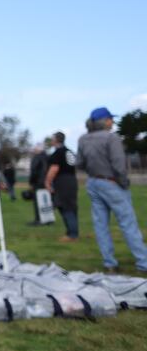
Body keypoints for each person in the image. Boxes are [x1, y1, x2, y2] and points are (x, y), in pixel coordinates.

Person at [77, 107, 147, 273]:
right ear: (105, 120)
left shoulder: (83, 139)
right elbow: (119, 165)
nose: (112, 121)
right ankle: (143, 263)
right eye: (110, 119)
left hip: (93, 183)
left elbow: (79, 164)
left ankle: (110, 263)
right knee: (128, 224)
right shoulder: (111, 138)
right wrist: (123, 183)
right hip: (112, 183)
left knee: (101, 225)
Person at [45, 131, 78, 241]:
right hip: (72, 180)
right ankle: (72, 231)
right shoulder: (70, 152)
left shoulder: (58, 152)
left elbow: (54, 168)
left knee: (65, 207)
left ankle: (72, 234)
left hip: (62, 181)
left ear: (56, 140)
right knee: (72, 206)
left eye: (53, 139)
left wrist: (47, 182)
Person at [27, 141, 49, 225]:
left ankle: (38, 219)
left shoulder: (37, 158)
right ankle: (47, 218)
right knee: (46, 201)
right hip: (46, 182)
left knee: (37, 201)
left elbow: (34, 171)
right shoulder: (47, 157)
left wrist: (31, 182)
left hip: (38, 182)